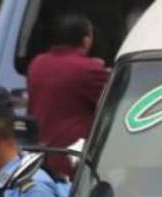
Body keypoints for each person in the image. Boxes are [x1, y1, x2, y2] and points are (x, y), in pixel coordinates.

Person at [26, 13, 110, 179]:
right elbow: (112, 101)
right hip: (70, 159)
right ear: (86, 41)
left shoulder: (37, 63)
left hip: (40, 155)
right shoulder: (88, 70)